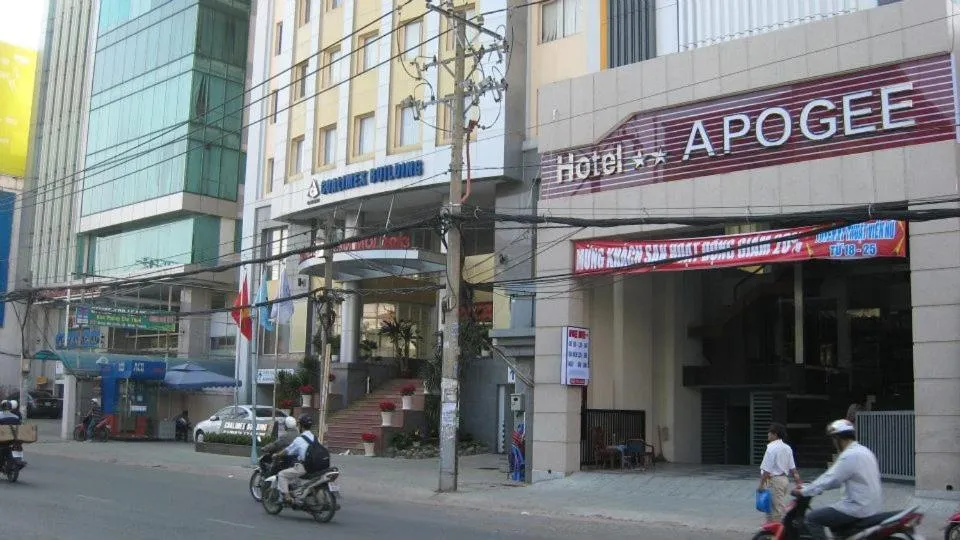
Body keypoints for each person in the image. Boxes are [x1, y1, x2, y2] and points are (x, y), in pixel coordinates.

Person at [792, 419, 882, 540]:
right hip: (871, 506)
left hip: (857, 508)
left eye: (833, 439)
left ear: (838, 438)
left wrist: (804, 491)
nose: (833, 443)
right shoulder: (865, 451)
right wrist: (811, 487)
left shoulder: (849, 455)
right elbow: (839, 478)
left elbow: (830, 479)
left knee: (812, 518)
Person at [758, 423, 802, 523]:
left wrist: (761, 484)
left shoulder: (771, 448)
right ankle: (770, 527)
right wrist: (798, 482)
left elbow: (767, 470)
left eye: (769, 432)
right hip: (784, 480)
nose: (768, 434)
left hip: (774, 481)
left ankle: (776, 529)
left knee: (776, 510)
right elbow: (793, 468)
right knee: (774, 506)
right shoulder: (787, 448)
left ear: (775, 434)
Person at [275, 414, 317, 504]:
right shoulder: (316, 438)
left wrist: (277, 455)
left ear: (301, 426)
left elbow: (287, 450)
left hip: (306, 467)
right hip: (317, 466)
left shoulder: (299, 439)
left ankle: (287, 498)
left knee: (282, 474)